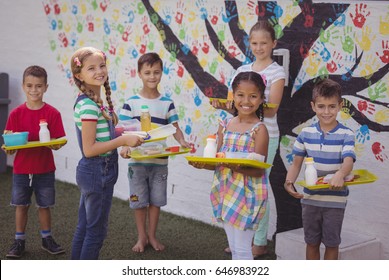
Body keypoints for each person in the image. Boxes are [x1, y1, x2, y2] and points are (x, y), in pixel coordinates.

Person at [212, 20, 285, 258]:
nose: (259, 47)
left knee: (256, 186)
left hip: (265, 134)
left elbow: (271, 110)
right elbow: (234, 106)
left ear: (273, 43)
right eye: (254, 42)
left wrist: (244, 103)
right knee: (234, 185)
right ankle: (238, 237)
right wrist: (223, 104)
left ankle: (259, 242)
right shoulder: (241, 70)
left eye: (264, 42)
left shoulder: (276, 72)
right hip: (238, 134)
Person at [70, 47, 144, 260]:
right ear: (79, 75)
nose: (99, 71)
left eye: (101, 66)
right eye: (91, 68)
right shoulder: (89, 107)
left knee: (85, 227)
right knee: (95, 232)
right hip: (96, 172)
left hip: (97, 172)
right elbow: (90, 149)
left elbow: (104, 135)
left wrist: (126, 135)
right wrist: (122, 140)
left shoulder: (95, 102)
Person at [190, 71, 269, 260]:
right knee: (234, 248)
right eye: (241, 95)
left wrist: (234, 167)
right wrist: (202, 165)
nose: (246, 101)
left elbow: (259, 171)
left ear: (260, 99)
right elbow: (218, 162)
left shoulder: (260, 130)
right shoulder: (224, 125)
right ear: (233, 96)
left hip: (248, 194)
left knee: (242, 249)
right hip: (226, 191)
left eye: (253, 96)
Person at [118, 52, 191, 253]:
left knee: (156, 201)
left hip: (160, 162)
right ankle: (141, 237)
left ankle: (152, 236)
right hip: (137, 162)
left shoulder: (167, 102)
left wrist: (183, 141)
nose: (152, 76)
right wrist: (124, 147)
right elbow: (122, 131)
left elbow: (175, 128)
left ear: (161, 73)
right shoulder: (131, 102)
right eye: (147, 72)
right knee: (139, 201)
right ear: (139, 74)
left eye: (156, 72)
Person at [284, 78, 355, 260]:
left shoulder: (346, 134)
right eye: (321, 106)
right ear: (313, 106)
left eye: (332, 106)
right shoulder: (305, 134)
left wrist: (340, 174)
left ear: (340, 106)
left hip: (335, 200)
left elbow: (348, 161)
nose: (326, 111)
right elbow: (296, 164)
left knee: (332, 243)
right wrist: (289, 182)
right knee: (311, 242)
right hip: (310, 199)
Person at [3, 65, 66, 258]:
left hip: (45, 169)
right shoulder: (16, 114)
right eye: (29, 85)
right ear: (23, 86)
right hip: (22, 170)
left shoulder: (53, 114)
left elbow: (58, 140)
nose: (34, 90)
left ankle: (46, 239)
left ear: (46, 87)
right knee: (21, 205)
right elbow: (11, 146)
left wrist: (55, 145)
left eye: (38, 86)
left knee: (44, 205)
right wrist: (9, 144)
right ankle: (19, 240)